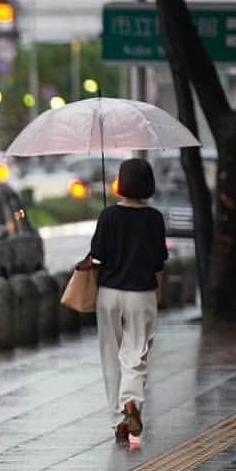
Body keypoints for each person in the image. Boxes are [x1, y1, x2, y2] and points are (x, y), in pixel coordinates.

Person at [90, 157, 168, 444]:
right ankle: (131, 402)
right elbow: (159, 262)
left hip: (109, 293)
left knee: (110, 354)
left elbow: (97, 256)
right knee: (136, 354)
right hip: (142, 294)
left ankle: (117, 419)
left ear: (121, 183)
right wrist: (157, 294)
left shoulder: (108, 216)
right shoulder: (154, 218)